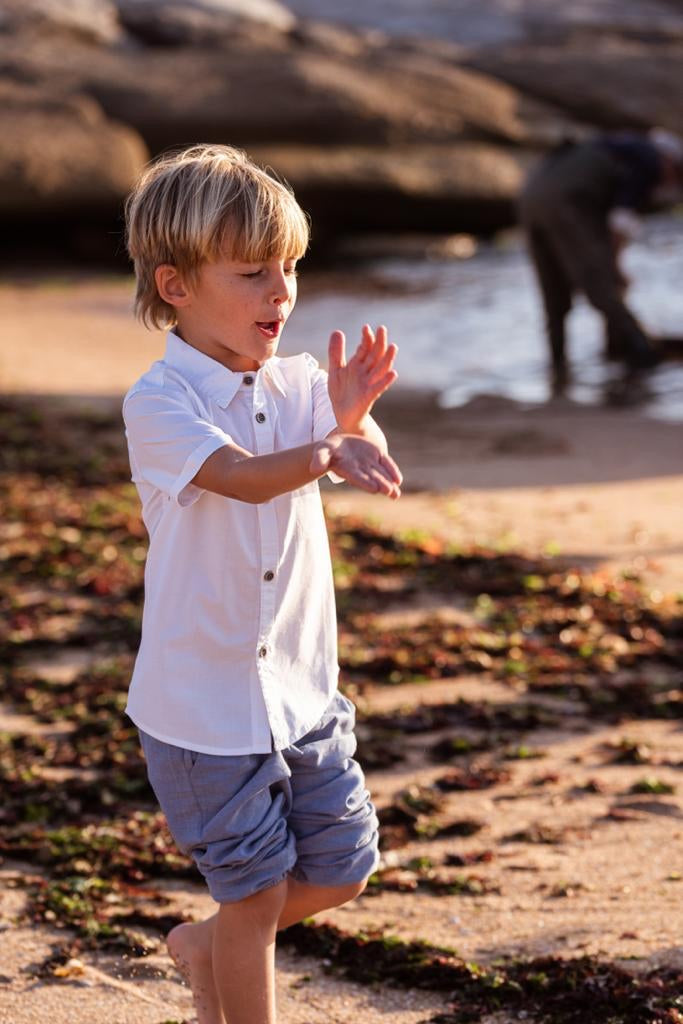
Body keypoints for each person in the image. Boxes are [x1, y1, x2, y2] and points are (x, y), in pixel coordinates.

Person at [122, 143, 402, 1024]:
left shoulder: (298, 382)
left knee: (343, 870)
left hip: (300, 690)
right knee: (252, 901)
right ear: (175, 285)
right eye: (252, 273)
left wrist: (354, 424)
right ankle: (228, 964)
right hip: (203, 712)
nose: (279, 291)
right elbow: (242, 475)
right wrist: (325, 448)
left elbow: (365, 453)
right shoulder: (161, 402)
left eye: (288, 268)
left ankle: (203, 947)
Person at [519, 128, 683, 389]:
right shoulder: (648, 162)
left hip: (530, 195)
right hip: (568, 201)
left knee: (554, 295)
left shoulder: (619, 146)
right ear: (670, 161)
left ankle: (558, 372)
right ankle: (644, 358)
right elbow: (619, 224)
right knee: (602, 287)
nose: (672, 184)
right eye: (677, 174)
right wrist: (615, 267)